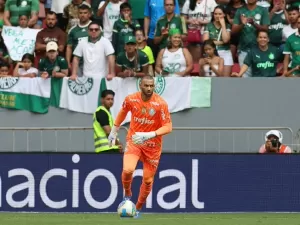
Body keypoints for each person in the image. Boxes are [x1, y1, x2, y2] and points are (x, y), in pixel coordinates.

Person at [108, 75, 172, 218]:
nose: (149, 88)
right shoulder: (131, 99)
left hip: (153, 147)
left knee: (148, 180)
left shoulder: (161, 104)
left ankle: (137, 208)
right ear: (140, 86)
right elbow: (123, 112)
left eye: (151, 86)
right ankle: (127, 192)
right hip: (135, 141)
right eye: (146, 85)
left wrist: (150, 134)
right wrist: (114, 131)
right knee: (128, 169)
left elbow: (168, 126)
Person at [232, 0, 270, 77]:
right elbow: (233, 31)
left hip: (260, 50)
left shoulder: (263, 10)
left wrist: (254, 23)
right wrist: (242, 24)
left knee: (260, 78)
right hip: (243, 50)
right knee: (245, 78)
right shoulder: (240, 11)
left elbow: (266, 29)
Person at [203, 6, 233, 77]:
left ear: (224, 14)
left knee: (225, 80)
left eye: (220, 14)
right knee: (212, 77)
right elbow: (206, 42)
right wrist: (221, 42)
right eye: (215, 14)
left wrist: (223, 25)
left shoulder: (227, 26)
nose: (217, 16)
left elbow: (225, 40)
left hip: (225, 53)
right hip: (211, 54)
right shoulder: (208, 25)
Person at [66, 4, 92, 75]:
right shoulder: (72, 30)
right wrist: (68, 63)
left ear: (89, 14)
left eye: (85, 13)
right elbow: (69, 47)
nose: (82, 15)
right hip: (77, 63)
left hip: (92, 63)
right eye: (80, 13)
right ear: (78, 14)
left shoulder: (95, 28)